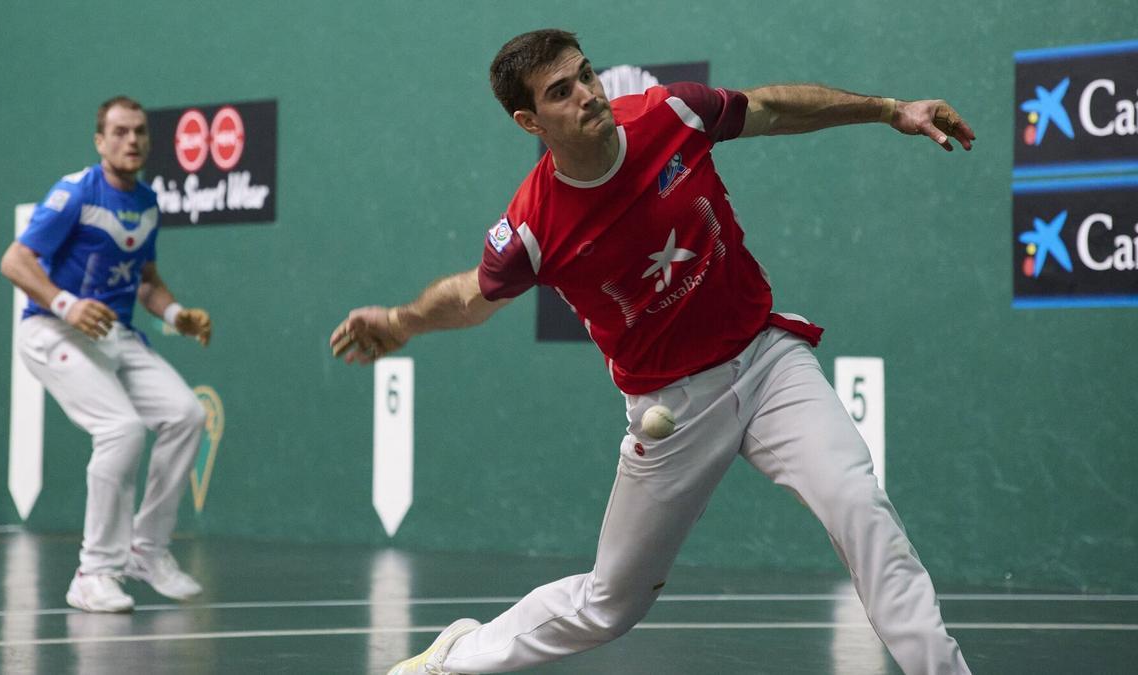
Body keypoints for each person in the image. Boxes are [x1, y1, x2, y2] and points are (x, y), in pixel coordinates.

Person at [331, 29, 975, 675]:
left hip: (768, 360)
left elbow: (774, 107)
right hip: (672, 408)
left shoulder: (672, 114)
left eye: (586, 75)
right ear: (530, 121)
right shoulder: (534, 225)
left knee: (858, 502)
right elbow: (472, 295)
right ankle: (453, 658)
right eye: (562, 91)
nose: (587, 94)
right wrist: (401, 321)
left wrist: (891, 108)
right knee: (611, 603)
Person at [1, 96, 213, 613]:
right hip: (52, 330)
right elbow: (15, 260)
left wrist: (176, 314)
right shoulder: (75, 193)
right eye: (119, 132)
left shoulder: (146, 201)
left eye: (139, 131)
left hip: (112, 335)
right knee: (120, 427)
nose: (132, 140)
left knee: (186, 415)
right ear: (100, 141)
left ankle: (147, 550)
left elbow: (146, 282)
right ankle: (93, 573)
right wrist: (66, 304)